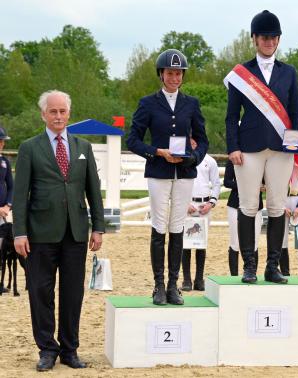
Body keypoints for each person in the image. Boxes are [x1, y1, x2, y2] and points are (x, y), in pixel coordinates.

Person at [13, 90, 105, 371]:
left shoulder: (83, 147)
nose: (58, 116)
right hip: (40, 234)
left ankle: (69, 349)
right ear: (43, 114)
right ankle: (47, 350)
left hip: (76, 232)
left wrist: (98, 227)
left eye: (62, 111)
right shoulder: (29, 148)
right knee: (40, 292)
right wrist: (19, 232)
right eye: (52, 111)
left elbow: (93, 190)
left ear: (69, 113)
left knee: (72, 293)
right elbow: (20, 195)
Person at [224, 10, 298, 284]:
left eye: (273, 37)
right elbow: (231, 114)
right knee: (248, 205)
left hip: (282, 149)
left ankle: (273, 266)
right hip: (249, 147)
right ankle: (249, 264)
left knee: (276, 205)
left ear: (278, 39)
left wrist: (296, 142)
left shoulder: (289, 72)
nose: (269, 41)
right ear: (255, 39)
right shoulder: (242, 73)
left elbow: (296, 111)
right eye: (264, 37)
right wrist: (233, 146)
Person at [127, 49, 209, 305]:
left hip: (184, 172)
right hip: (159, 171)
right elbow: (133, 140)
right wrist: (156, 152)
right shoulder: (148, 103)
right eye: (170, 73)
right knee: (159, 226)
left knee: (178, 226)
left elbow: (203, 139)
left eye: (178, 73)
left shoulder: (191, 104)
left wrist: (193, 157)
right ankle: (159, 285)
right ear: (161, 74)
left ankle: (174, 285)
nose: (174, 77)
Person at [181, 139, 220, 291]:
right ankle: (186, 279)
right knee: (186, 243)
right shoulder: (182, 160)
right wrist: (184, 203)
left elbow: (216, 184)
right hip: (188, 205)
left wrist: (211, 203)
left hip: (204, 206)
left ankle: (199, 279)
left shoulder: (210, 161)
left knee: (201, 244)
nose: (193, 144)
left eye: (195, 141)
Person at [223, 159, 263, 276]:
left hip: (256, 204)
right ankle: (233, 276)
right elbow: (227, 181)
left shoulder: (261, 159)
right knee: (235, 242)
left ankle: (252, 273)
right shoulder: (233, 159)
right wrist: (247, 186)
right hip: (236, 204)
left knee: (255, 242)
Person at [0, 124, 13, 292]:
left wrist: (8, 205)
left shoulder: (4, 162)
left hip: (4, 211)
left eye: (3, 141)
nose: (2, 144)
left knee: (2, 246)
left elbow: (11, 185)